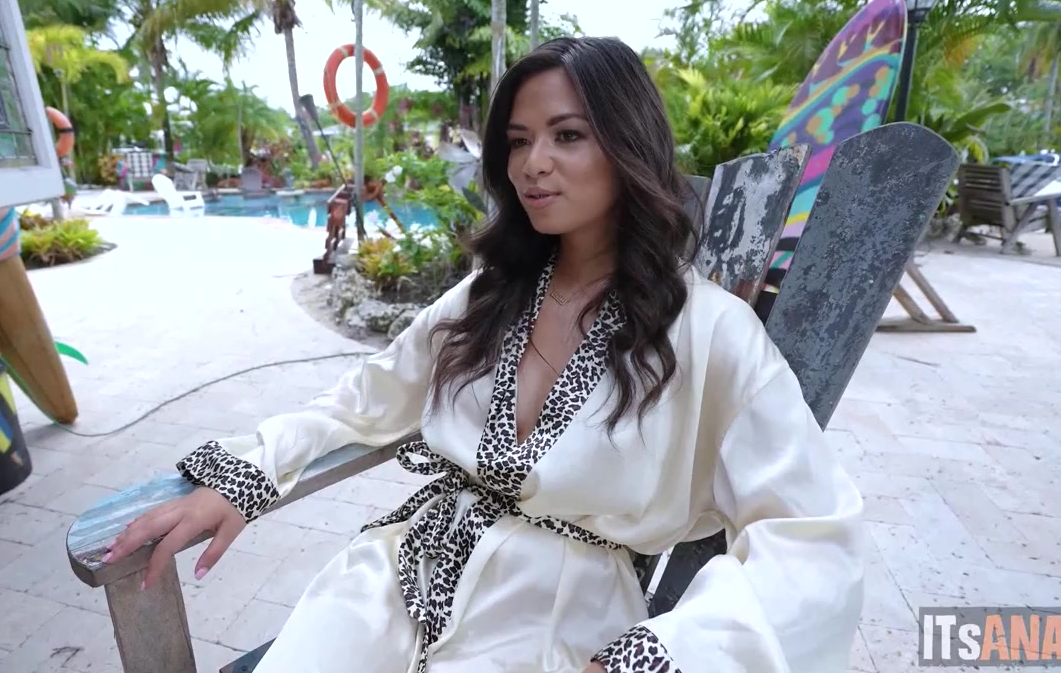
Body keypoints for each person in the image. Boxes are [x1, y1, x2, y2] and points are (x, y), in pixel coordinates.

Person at [105, 36, 865, 673]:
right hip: (399, 578)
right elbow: (367, 397)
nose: (533, 163)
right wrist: (247, 476)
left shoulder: (709, 331)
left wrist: (663, 653)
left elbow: (813, 540)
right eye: (518, 141)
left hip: (563, 618)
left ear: (628, 145)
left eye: (568, 135)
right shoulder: (489, 295)